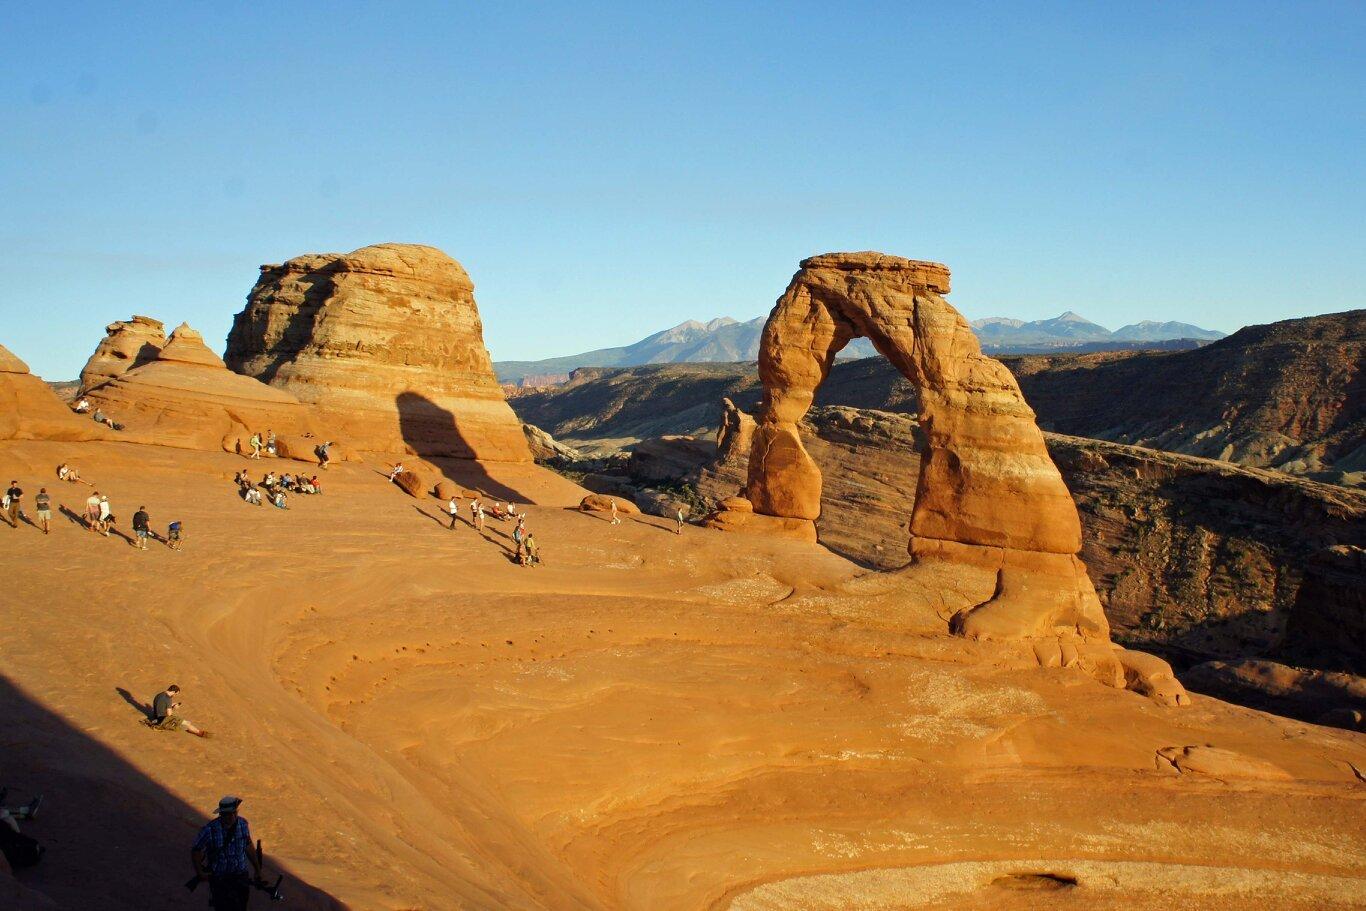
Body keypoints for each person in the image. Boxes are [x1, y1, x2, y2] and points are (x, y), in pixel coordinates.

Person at [191, 796, 262, 911]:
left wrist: (257, 870)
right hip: (220, 880)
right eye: (228, 814)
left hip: (241, 877)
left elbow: (248, 846)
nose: (232, 817)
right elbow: (196, 850)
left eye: (234, 813)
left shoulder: (243, 824)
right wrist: (200, 872)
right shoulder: (210, 829)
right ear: (221, 814)